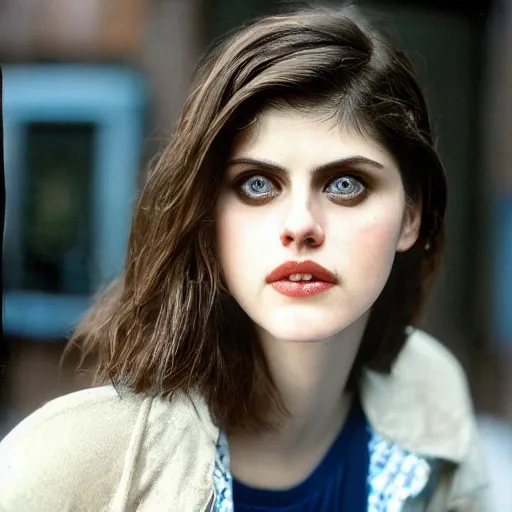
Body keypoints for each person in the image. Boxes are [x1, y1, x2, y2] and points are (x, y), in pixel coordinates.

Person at [0, 4, 490, 511]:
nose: (300, 224)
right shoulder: (74, 464)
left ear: (411, 215)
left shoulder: (432, 399)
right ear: (206, 214)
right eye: (257, 184)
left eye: (346, 184)